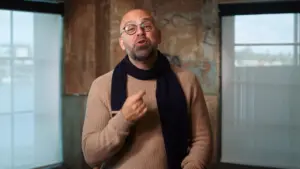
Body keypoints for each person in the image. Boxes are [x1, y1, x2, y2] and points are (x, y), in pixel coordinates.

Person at [81, 8, 213, 169]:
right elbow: (91, 155)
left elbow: (202, 139)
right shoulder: (101, 86)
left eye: (146, 26)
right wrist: (123, 119)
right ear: (122, 43)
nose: (140, 32)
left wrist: (193, 165)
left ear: (158, 36)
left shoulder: (187, 81)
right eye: (131, 28)